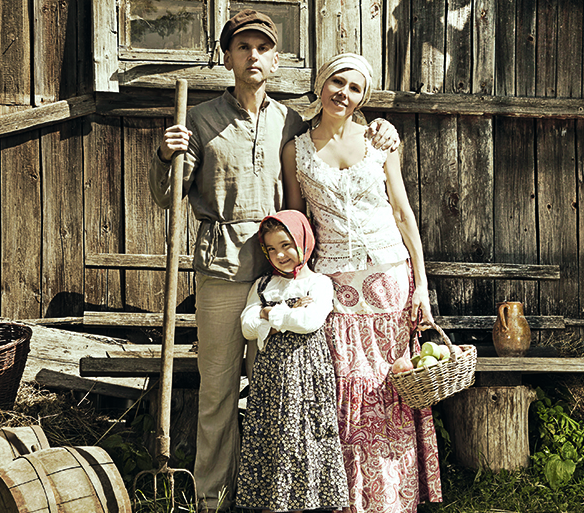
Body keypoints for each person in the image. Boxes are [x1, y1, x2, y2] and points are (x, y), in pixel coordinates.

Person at [149, 10, 400, 509]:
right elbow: (167, 196)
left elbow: (339, 126)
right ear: (228, 57)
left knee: (279, 395)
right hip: (223, 270)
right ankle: (213, 497)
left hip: (281, 277)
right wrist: (165, 154)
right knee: (218, 391)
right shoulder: (198, 119)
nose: (253, 55)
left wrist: (382, 130)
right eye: (243, 47)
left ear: (276, 58)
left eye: (263, 47)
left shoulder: (290, 120)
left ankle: (271, 494)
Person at [282, 53, 443, 512]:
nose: (344, 93)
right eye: (337, 81)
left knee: (394, 386)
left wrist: (421, 285)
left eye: (355, 88)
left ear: (363, 97)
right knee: (347, 384)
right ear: (321, 84)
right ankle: (350, 497)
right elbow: (298, 222)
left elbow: (401, 212)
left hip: (390, 274)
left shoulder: (381, 142)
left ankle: (395, 497)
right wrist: (298, 283)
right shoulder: (296, 150)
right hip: (335, 282)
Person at [237, 210, 348, 512]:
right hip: (271, 376)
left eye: (286, 245)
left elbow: (310, 320)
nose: (280, 255)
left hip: (306, 376)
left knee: (303, 436)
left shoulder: (319, 284)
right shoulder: (262, 285)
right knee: (273, 435)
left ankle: (303, 505)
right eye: (271, 249)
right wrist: (282, 312)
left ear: (302, 241)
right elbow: (246, 326)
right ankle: (275, 504)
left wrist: (270, 314)